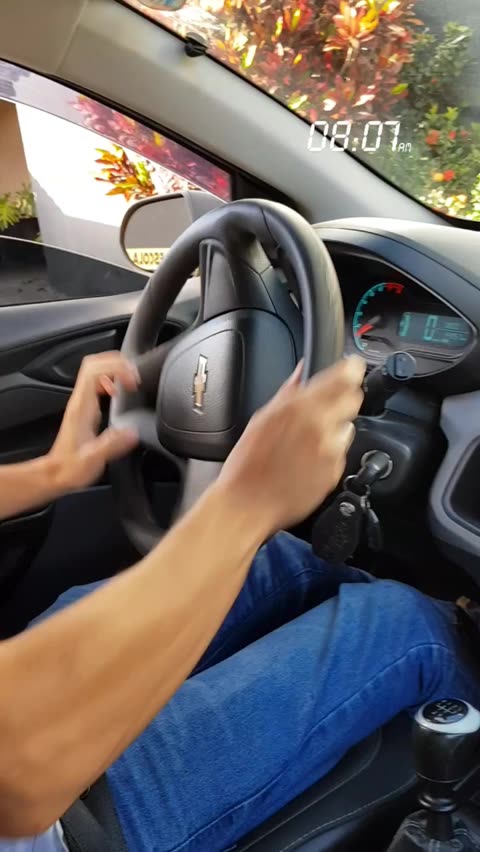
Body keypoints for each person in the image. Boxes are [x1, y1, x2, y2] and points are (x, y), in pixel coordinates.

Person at [0, 351, 478, 852]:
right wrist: (244, 505)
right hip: (50, 807)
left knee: (277, 560)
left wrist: (53, 472)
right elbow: (19, 764)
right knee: (404, 629)